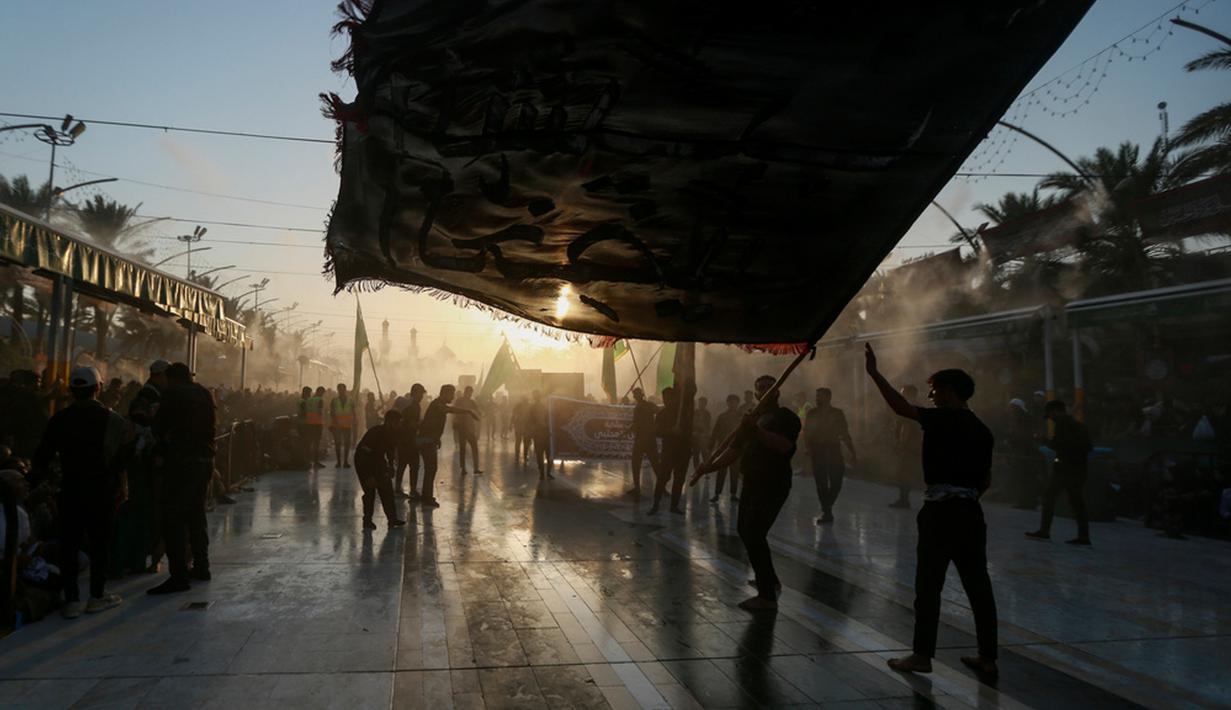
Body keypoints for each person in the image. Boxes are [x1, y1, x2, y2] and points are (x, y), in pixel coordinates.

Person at [864, 344, 998, 677]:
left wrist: (875, 374)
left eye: (935, 390)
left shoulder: (942, 419)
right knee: (978, 586)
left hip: (941, 514)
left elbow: (900, 408)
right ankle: (988, 658)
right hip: (970, 513)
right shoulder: (983, 430)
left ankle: (922, 656)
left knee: (928, 586)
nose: (931, 396)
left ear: (951, 392)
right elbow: (986, 481)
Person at [30, 366, 131, 618]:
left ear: (72, 390)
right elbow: (121, 461)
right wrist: (121, 485)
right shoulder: (114, 421)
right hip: (101, 491)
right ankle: (97, 595)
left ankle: (72, 599)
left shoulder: (59, 419)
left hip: (70, 489)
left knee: (69, 544)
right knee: (99, 544)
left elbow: (42, 457)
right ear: (98, 388)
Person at [694, 374, 800, 611]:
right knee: (745, 530)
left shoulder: (786, 418)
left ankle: (767, 596)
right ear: (756, 395)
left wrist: (757, 431)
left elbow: (783, 446)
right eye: (760, 389)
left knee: (754, 532)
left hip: (773, 483)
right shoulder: (752, 419)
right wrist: (709, 467)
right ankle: (769, 580)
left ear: (777, 392)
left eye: (769, 388)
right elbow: (733, 451)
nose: (764, 391)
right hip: (751, 482)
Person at [147, 363, 216, 595]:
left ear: (171, 378)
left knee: (173, 519)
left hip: (181, 462)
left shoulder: (173, 394)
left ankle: (178, 576)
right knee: (197, 515)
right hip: (205, 459)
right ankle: (202, 566)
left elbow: (159, 427)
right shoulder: (204, 393)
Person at [1027, 400, 1094, 545]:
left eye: (1050, 414)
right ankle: (1084, 536)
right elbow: (1088, 447)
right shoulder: (1079, 426)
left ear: (1056, 411)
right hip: (1078, 469)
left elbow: (1058, 444)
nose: (1050, 418)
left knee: (1049, 497)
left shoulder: (1063, 424)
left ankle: (1045, 531)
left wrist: (1043, 440)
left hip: (1065, 469)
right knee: (1077, 503)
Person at [416, 385, 478, 506]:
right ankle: (426, 497)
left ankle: (426, 495)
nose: (453, 397)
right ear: (445, 394)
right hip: (427, 441)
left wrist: (436, 438)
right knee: (431, 468)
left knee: (431, 468)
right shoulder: (438, 405)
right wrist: (468, 411)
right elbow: (449, 410)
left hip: (429, 440)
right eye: (451, 394)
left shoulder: (438, 404)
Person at [804, 388, 857, 524]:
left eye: (819, 396)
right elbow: (807, 432)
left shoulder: (837, 414)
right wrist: (808, 448)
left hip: (833, 451)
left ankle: (827, 507)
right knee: (821, 484)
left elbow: (845, 433)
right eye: (816, 396)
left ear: (828, 397)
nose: (817, 399)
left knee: (836, 482)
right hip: (818, 452)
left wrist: (852, 452)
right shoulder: (812, 413)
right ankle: (827, 512)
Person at [353, 410, 406, 529]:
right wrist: (368, 476)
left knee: (387, 489)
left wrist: (391, 466)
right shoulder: (375, 432)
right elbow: (363, 454)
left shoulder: (393, 433)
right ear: (390, 422)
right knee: (370, 492)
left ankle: (392, 519)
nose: (399, 425)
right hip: (363, 462)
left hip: (378, 460)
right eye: (397, 423)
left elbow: (390, 451)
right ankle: (367, 521)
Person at [650, 385, 693, 515]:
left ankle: (674, 506)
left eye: (669, 397)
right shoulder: (661, 414)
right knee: (663, 478)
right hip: (668, 451)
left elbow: (689, 431)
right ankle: (655, 504)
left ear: (675, 398)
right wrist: (670, 431)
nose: (666, 400)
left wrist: (682, 432)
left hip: (682, 451)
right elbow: (656, 431)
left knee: (679, 479)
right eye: (664, 398)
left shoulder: (684, 413)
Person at [888, 385, 920, 509]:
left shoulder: (909, 408)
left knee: (904, 473)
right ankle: (904, 499)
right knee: (907, 473)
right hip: (915, 447)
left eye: (903, 394)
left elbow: (906, 428)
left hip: (909, 447)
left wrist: (901, 445)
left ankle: (904, 500)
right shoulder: (918, 406)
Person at [709, 394, 743, 503]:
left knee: (734, 472)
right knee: (721, 472)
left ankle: (733, 494)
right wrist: (711, 444)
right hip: (723, 448)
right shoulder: (722, 416)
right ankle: (717, 494)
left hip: (736, 448)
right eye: (730, 402)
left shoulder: (741, 417)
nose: (732, 404)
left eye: (735, 402)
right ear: (727, 403)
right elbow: (715, 431)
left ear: (737, 403)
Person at [626, 387, 659, 497]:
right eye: (634, 394)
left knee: (640, 464)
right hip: (646, 438)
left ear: (640, 395)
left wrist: (626, 431)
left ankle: (639, 489)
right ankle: (638, 488)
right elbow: (658, 410)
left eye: (636, 394)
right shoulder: (647, 405)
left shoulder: (641, 407)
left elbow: (636, 424)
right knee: (652, 464)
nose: (634, 396)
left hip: (643, 439)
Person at [395, 384, 426, 499]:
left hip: (409, 440)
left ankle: (405, 489)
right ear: (414, 394)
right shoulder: (412, 408)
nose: (422, 396)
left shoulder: (415, 406)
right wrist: (423, 424)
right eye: (420, 393)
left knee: (409, 466)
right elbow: (411, 424)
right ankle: (404, 489)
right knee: (407, 465)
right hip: (407, 441)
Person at [453, 385, 482, 474]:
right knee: (467, 448)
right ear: (466, 392)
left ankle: (470, 468)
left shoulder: (468, 401)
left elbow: (477, 411)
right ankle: (467, 468)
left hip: (467, 427)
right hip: (464, 427)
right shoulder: (462, 401)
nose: (470, 394)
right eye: (469, 392)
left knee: (467, 448)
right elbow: (455, 412)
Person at [329, 383, 356, 468]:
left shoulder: (351, 401)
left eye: (342, 389)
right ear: (338, 390)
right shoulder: (334, 400)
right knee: (338, 443)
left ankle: (345, 462)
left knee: (347, 444)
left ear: (345, 390)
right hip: (337, 426)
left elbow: (354, 412)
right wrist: (333, 423)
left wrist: (354, 422)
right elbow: (332, 412)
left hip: (347, 425)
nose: (341, 391)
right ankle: (339, 462)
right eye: (339, 389)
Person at [529, 390, 552, 480]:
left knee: (548, 454)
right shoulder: (533, 408)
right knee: (540, 455)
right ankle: (543, 473)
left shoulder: (546, 407)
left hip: (545, 434)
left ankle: (546, 473)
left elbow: (550, 418)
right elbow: (530, 421)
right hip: (539, 434)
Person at [691, 396, 713, 472]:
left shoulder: (707, 413)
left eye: (703, 403)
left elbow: (709, 424)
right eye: (700, 403)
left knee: (704, 454)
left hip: (704, 436)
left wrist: (706, 433)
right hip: (696, 436)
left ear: (705, 404)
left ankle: (706, 470)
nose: (701, 404)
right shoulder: (695, 412)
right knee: (696, 454)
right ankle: (696, 470)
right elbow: (692, 424)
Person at [512, 396, 531, 465]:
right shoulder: (529, 406)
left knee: (519, 442)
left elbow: (513, 415)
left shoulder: (519, 405)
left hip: (522, 426)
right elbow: (513, 414)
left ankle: (518, 456)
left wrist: (511, 424)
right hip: (523, 426)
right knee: (524, 442)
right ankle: (524, 456)